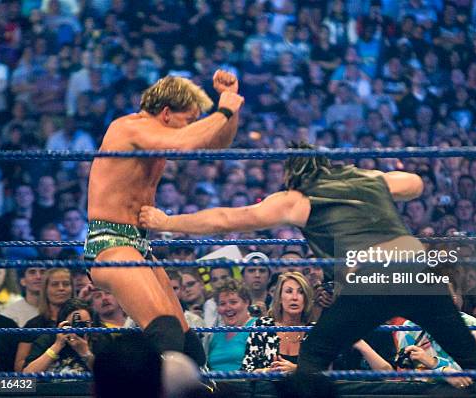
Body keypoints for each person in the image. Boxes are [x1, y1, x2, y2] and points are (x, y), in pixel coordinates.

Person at [139, 142, 476, 388]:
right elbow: (414, 183)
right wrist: (372, 182)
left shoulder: (298, 198)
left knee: (314, 354)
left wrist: (167, 223)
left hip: (373, 277)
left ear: (293, 173)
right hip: (416, 270)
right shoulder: (364, 179)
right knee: (470, 354)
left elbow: (225, 220)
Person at [83, 71, 244, 361]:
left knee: (188, 345)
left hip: (139, 246)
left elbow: (217, 143)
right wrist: (224, 109)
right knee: (165, 333)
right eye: (189, 119)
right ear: (167, 113)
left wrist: (230, 107)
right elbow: (184, 143)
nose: (192, 127)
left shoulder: (158, 136)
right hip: (109, 245)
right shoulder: (129, 129)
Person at [240, 272, 314, 372]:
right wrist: (266, 372)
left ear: (306, 299)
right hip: (267, 385)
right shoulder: (263, 326)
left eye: (301, 292)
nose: (295, 297)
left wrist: (295, 370)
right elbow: (246, 370)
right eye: (289, 291)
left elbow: (323, 373)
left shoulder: (314, 331)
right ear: (279, 298)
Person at [14, 268, 73, 371]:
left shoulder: (83, 321)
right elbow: (19, 367)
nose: (61, 288)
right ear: (45, 289)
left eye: (66, 284)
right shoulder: (33, 325)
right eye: (55, 284)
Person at [23, 298, 98, 373]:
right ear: (63, 323)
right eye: (75, 323)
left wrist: (85, 353)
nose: (80, 328)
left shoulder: (98, 339)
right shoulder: (48, 339)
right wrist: (57, 346)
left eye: (86, 323)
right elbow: (27, 375)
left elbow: (107, 377)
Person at [206, 279, 256, 371]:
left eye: (233, 302)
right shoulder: (216, 334)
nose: (228, 308)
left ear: (246, 302)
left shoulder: (258, 327)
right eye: (222, 304)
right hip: (213, 384)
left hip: (244, 383)